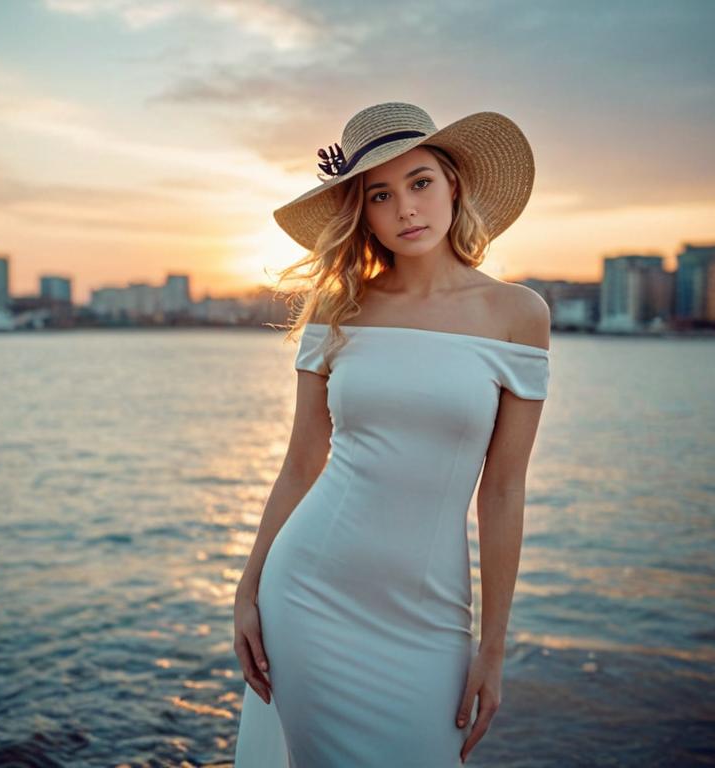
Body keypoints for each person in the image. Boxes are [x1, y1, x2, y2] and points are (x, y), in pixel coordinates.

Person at [232, 102, 550, 766]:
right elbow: (301, 463)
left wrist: (493, 648)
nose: (406, 208)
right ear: (363, 212)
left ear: (453, 184)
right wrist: (247, 587)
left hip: (432, 616)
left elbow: (503, 491)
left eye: (420, 182)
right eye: (381, 194)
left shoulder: (517, 315)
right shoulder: (338, 308)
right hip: (309, 597)